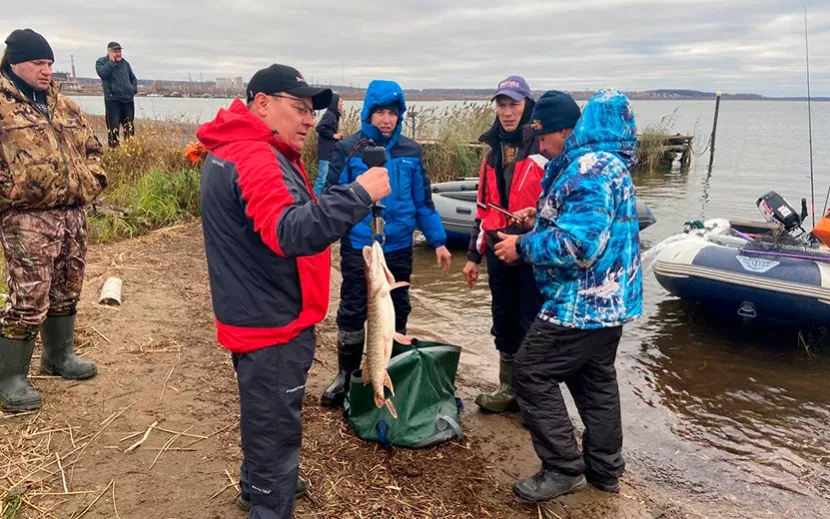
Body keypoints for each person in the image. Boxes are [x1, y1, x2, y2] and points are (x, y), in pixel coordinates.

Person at [197, 63, 390, 519]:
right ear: (262, 104)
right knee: (276, 429)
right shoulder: (255, 157)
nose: (308, 120)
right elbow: (289, 231)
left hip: (252, 308)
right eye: (299, 108)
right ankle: (268, 498)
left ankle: (256, 483)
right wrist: (358, 195)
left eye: (311, 111)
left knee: (264, 412)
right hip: (273, 323)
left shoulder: (236, 147)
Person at [493, 89, 643, 501]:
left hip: (581, 304)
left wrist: (521, 247)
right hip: (612, 303)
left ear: (567, 131)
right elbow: (587, 227)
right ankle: (605, 470)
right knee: (595, 382)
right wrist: (538, 219)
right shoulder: (607, 163)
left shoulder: (590, 169)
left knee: (530, 372)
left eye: (543, 136)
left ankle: (563, 467)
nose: (540, 145)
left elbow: (579, 247)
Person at [319, 79, 451, 408]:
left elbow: (423, 202)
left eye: (392, 113)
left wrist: (438, 241)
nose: (386, 120)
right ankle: (346, 374)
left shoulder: (411, 151)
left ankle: (390, 368)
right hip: (359, 246)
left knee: (398, 308)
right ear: (368, 114)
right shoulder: (348, 148)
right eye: (380, 113)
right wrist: (323, 237)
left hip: (399, 246)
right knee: (352, 308)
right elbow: (330, 197)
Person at [0, 29, 107, 413]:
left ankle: (58, 357)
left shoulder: (66, 107)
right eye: (38, 63)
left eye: (49, 63)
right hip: (26, 218)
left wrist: (93, 179)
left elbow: (93, 148)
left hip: (72, 213)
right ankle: (9, 379)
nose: (47, 70)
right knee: (28, 296)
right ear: (14, 63)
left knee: (67, 287)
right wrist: (11, 189)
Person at [461, 76, 546, 413]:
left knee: (533, 320)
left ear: (528, 106)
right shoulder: (491, 154)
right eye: (502, 105)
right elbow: (483, 210)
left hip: (532, 249)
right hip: (498, 250)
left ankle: (533, 397)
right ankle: (507, 387)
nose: (507, 112)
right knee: (503, 317)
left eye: (514, 104)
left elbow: (560, 207)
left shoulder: (544, 149)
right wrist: (473, 257)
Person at [95, 41, 137, 148]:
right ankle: (114, 151)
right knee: (113, 128)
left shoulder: (125, 64)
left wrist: (133, 90)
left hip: (128, 100)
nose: (118, 54)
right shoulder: (101, 62)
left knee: (129, 128)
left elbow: (133, 78)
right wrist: (111, 62)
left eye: (119, 51)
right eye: (115, 51)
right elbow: (103, 74)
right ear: (109, 52)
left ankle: (129, 150)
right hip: (113, 101)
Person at [313, 93, 344, 194]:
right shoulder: (330, 115)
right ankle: (313, 199)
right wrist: (333, 135)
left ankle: (322, 198)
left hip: (330, 152)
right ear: (335, 103)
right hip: (325, 153)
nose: (342, 104)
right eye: (340, 102)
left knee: (327, 179)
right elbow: (319, 128)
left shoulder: (334, 115)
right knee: (322, 179)